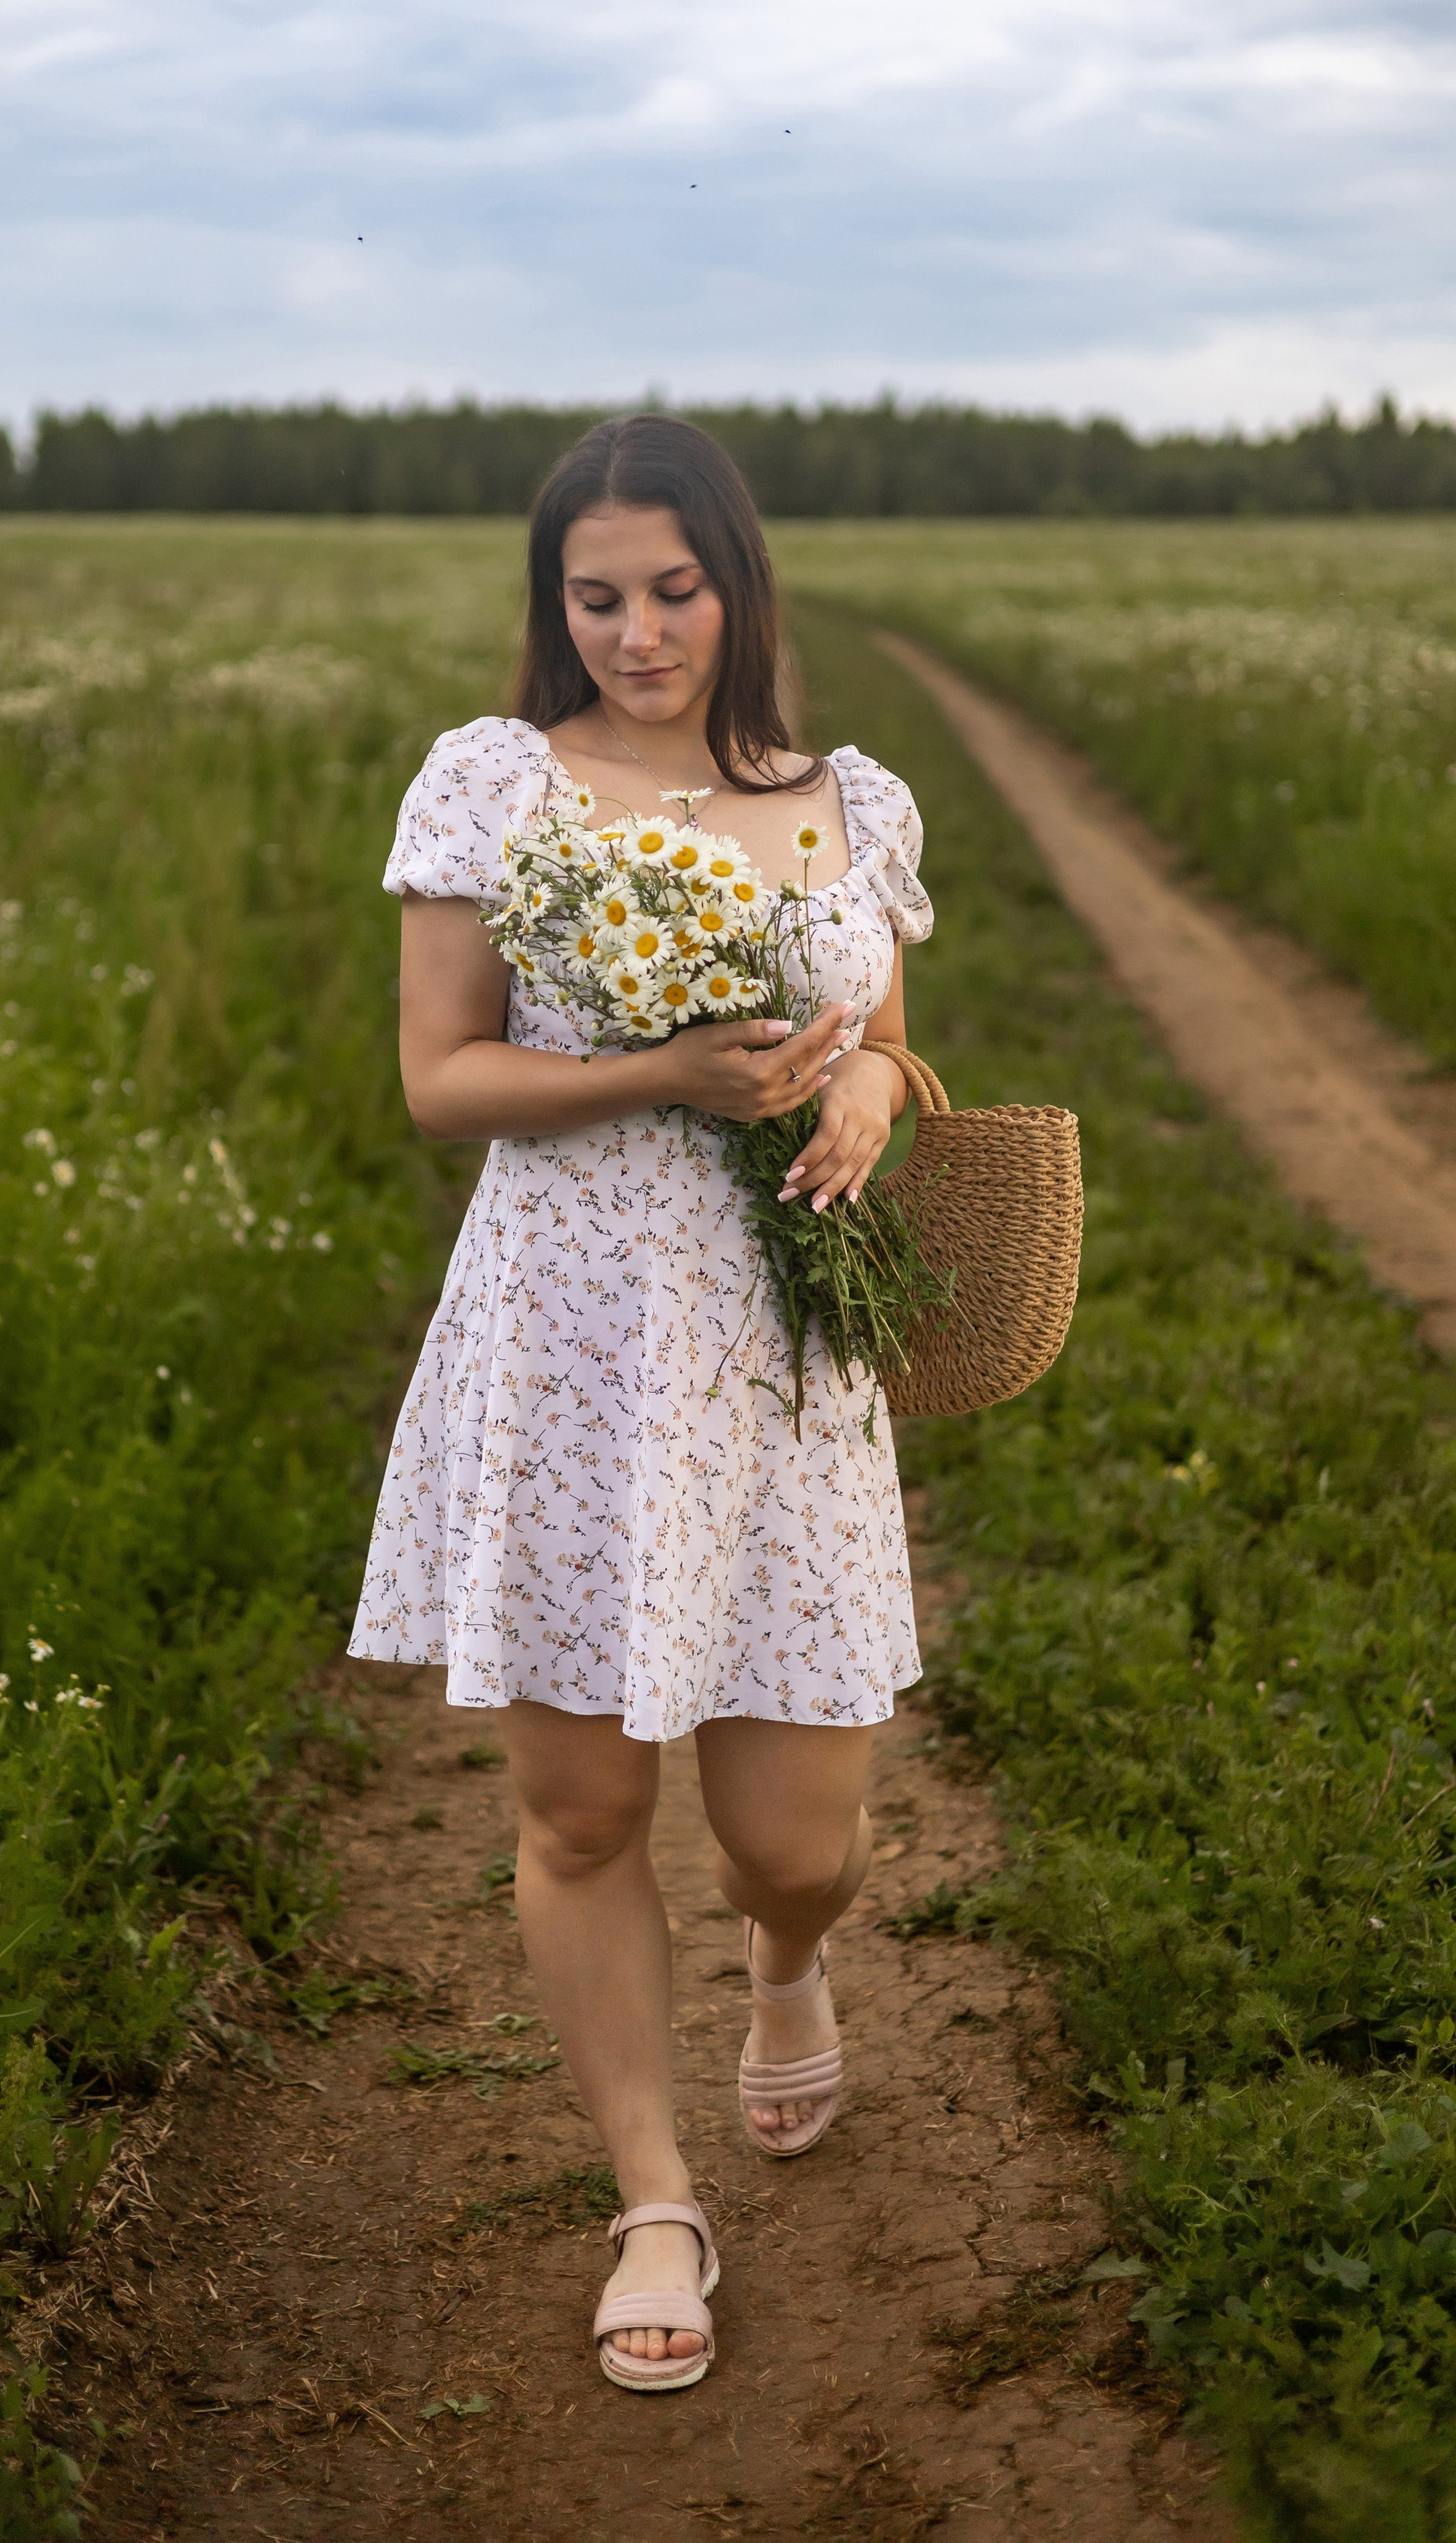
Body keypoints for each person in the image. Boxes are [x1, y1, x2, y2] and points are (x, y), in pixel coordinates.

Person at [348, 414, 932, 2393]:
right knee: (583, 1807)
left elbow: (882, 1047)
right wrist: (655, 1075)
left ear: (734, 584)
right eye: (593, 597)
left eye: (670, 590)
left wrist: (856, 1086)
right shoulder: (497, 784)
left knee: (794, 1840)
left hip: (779, 1371)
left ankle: (786, 1962)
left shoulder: (848, 796)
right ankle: (653, 2193)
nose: (634, 632)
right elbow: (442, 1078)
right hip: (573, 1343)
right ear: (554, 604)